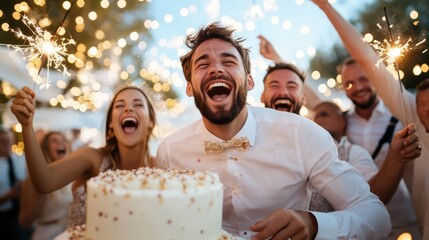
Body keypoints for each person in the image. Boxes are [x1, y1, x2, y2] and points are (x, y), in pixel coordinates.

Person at [155, 22, 391, 239]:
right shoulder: (170, 152)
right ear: (189, 87)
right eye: (203, 64)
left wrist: (314, 224)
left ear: (249, 82)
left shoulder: (301, 134)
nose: (216, 68)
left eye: (228, 61)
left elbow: (376, 215)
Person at [259, 34, 421, 239]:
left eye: (364, 79)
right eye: (350, 83)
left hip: (394, 224)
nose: (317, 121)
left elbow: (372, 199)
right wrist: (275, 57)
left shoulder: (395, 119)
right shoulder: (257, 140)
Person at [312, 0, 429, 237]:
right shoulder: (342, 122)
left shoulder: (402, 115)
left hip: (405, 224)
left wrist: (326, 7)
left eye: (365, 79)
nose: (358, 87)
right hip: (361, 224)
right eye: (350, 83)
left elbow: (366, 56)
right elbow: (315, 105)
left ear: (375, 78)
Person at [10, 85, 157, 227]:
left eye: (138, 104)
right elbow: (44, 181)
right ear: (111, 122)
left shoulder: (162, 167)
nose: (128, 108)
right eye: (119, 105)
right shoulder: (93, 158)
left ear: (151, 121)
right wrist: (27, 126)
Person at [19, 131, 73, 240]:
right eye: (54, 141)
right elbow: (24, 222)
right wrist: (41, 194)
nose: (60, 143)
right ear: (45, 149)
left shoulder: (74, 175)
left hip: (71, 232)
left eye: (63, 140)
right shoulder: (33, 180)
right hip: (48, 234)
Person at [0, 125, 28, 240]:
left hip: (22, 211)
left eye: (8, 141)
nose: (6, 145)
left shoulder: (21, 159)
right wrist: (9, 195)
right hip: (3, 216)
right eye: (2, 141)